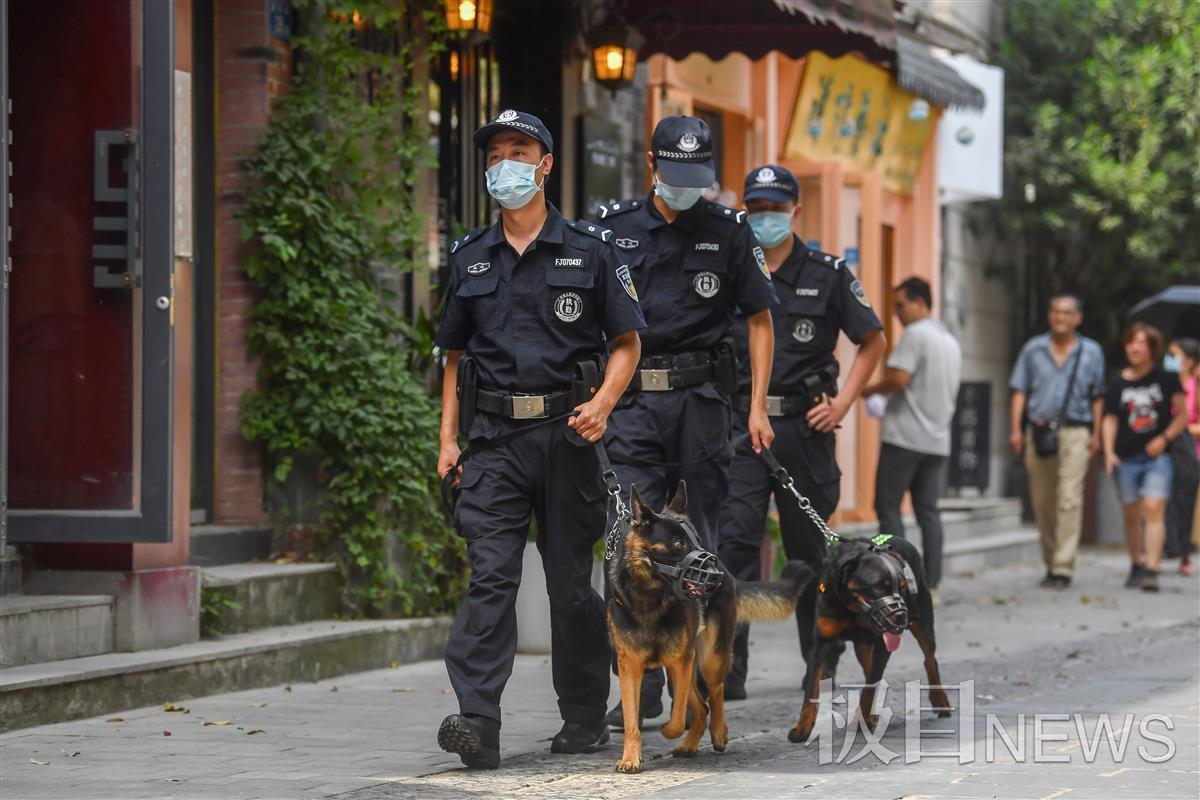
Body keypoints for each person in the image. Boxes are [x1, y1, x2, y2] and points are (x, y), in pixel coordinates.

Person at [434, 109, 645, 768]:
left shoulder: (590, 249)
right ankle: (478, 720)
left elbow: (627, 342)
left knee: (569, 585)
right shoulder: (470, 257)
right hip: (494, 439)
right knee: (491, 576)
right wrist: (447, 440)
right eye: (495, 153)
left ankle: (583, 714)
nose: (506, 164)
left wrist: (604, 404)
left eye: (519, 151)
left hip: (568, 436)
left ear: (546, 164)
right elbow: (453, 356)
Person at [595, 116, 778, 728]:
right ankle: (638, 684)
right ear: (651, 165)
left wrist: (756, 405)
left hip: (700, 405)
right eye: (675, 174)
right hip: (631, 407)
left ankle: (692, 681)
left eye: (696, 177)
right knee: (628, 540)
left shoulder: (729, 231)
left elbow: (760, 320)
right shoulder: (613, 228)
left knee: (699, 543)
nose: (686, 187)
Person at [718, 164, 884, 699]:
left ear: (796, 211)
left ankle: (820, 660)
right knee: (734, 546)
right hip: (742, 427)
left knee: (808, 552)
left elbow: (873, 341)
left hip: (803, 429)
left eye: (776, 208)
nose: (766, 217)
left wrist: (842, 404)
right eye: (756, 208)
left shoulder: (827, 273)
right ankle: (729, 669)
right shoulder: (728, 269)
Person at [863, 276, 962, 593]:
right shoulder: (949, 339)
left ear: (920, 303)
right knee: (928, 511)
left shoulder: (916, 334)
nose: (896, 313)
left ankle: (896, 576)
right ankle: (931, 582)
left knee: (887, 506)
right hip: (937, 441)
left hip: (905, 438)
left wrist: (867, 390)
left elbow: (898, 379)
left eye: (901, 305)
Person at [1008, 294, 1106, 589]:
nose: (1059, 317)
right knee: (1042, 500)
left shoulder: (1092, 351)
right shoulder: (1033, 348)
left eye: (1066, 313)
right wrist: (1015, 430)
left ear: (1077, 318)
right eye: (1055, 312)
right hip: (1038, 431)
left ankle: (1063, 567)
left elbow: (1098, 396)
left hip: (1076, 431)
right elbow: (1019, 390)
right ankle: (1051, 561)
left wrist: (1097, 434)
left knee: (1068, 498)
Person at [1102, 323, 1188, 593]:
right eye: (1131, 342)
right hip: (1126, 456)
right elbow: (1109, 419)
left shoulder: (1166, 378)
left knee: (1152, 507)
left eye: (1141, 343)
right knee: (1131, 513)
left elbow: (1182, 415)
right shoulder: (1117, 382)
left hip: (1158, 457)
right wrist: (1108, 452)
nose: (1135, 347)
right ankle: (1136, 563)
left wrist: (1164, 438)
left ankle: (1152, 567)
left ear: (1152, 348)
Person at [1163, 338, 1199, 576]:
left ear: (1189, 360)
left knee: (1185, 502)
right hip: (1166, 448)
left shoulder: (1196, 386)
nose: (1169, 360)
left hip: (1191, 452)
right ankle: (1158, 550)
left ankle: (1184, 553)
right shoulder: (1165, 384)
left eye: (1174, 355)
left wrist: (1181, 429)